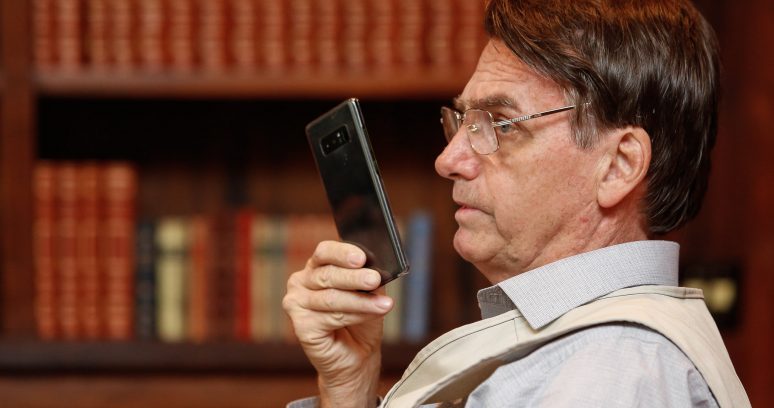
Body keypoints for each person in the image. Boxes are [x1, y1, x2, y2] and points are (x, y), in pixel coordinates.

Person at [282, 0, 750, 406]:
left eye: (502, 124)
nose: (448, 160)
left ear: (618, 166)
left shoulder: (611, 371)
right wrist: (350, 389)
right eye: (462, 120)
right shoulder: (594, 349)